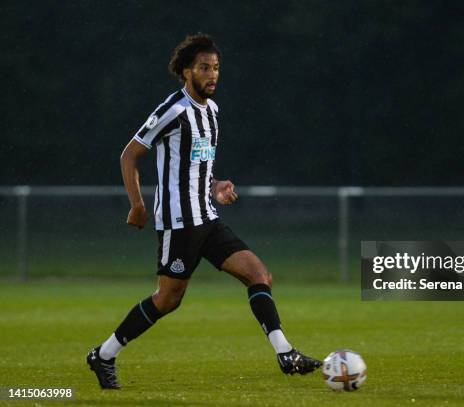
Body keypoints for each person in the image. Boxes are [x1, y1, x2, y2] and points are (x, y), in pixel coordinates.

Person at [86, 33, 321, 390]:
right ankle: (103, 354)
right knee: (168, 299)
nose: (212, 75)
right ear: (186, 72)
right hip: (179, 222)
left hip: (207, 217)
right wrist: (137, 203)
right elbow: (130, 154)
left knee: (259, 274)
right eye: (204, 68)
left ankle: (285, 353)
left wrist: (215, 186)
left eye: (216, 68)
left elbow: (197, 167)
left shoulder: (211, 112)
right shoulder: (173, 110)